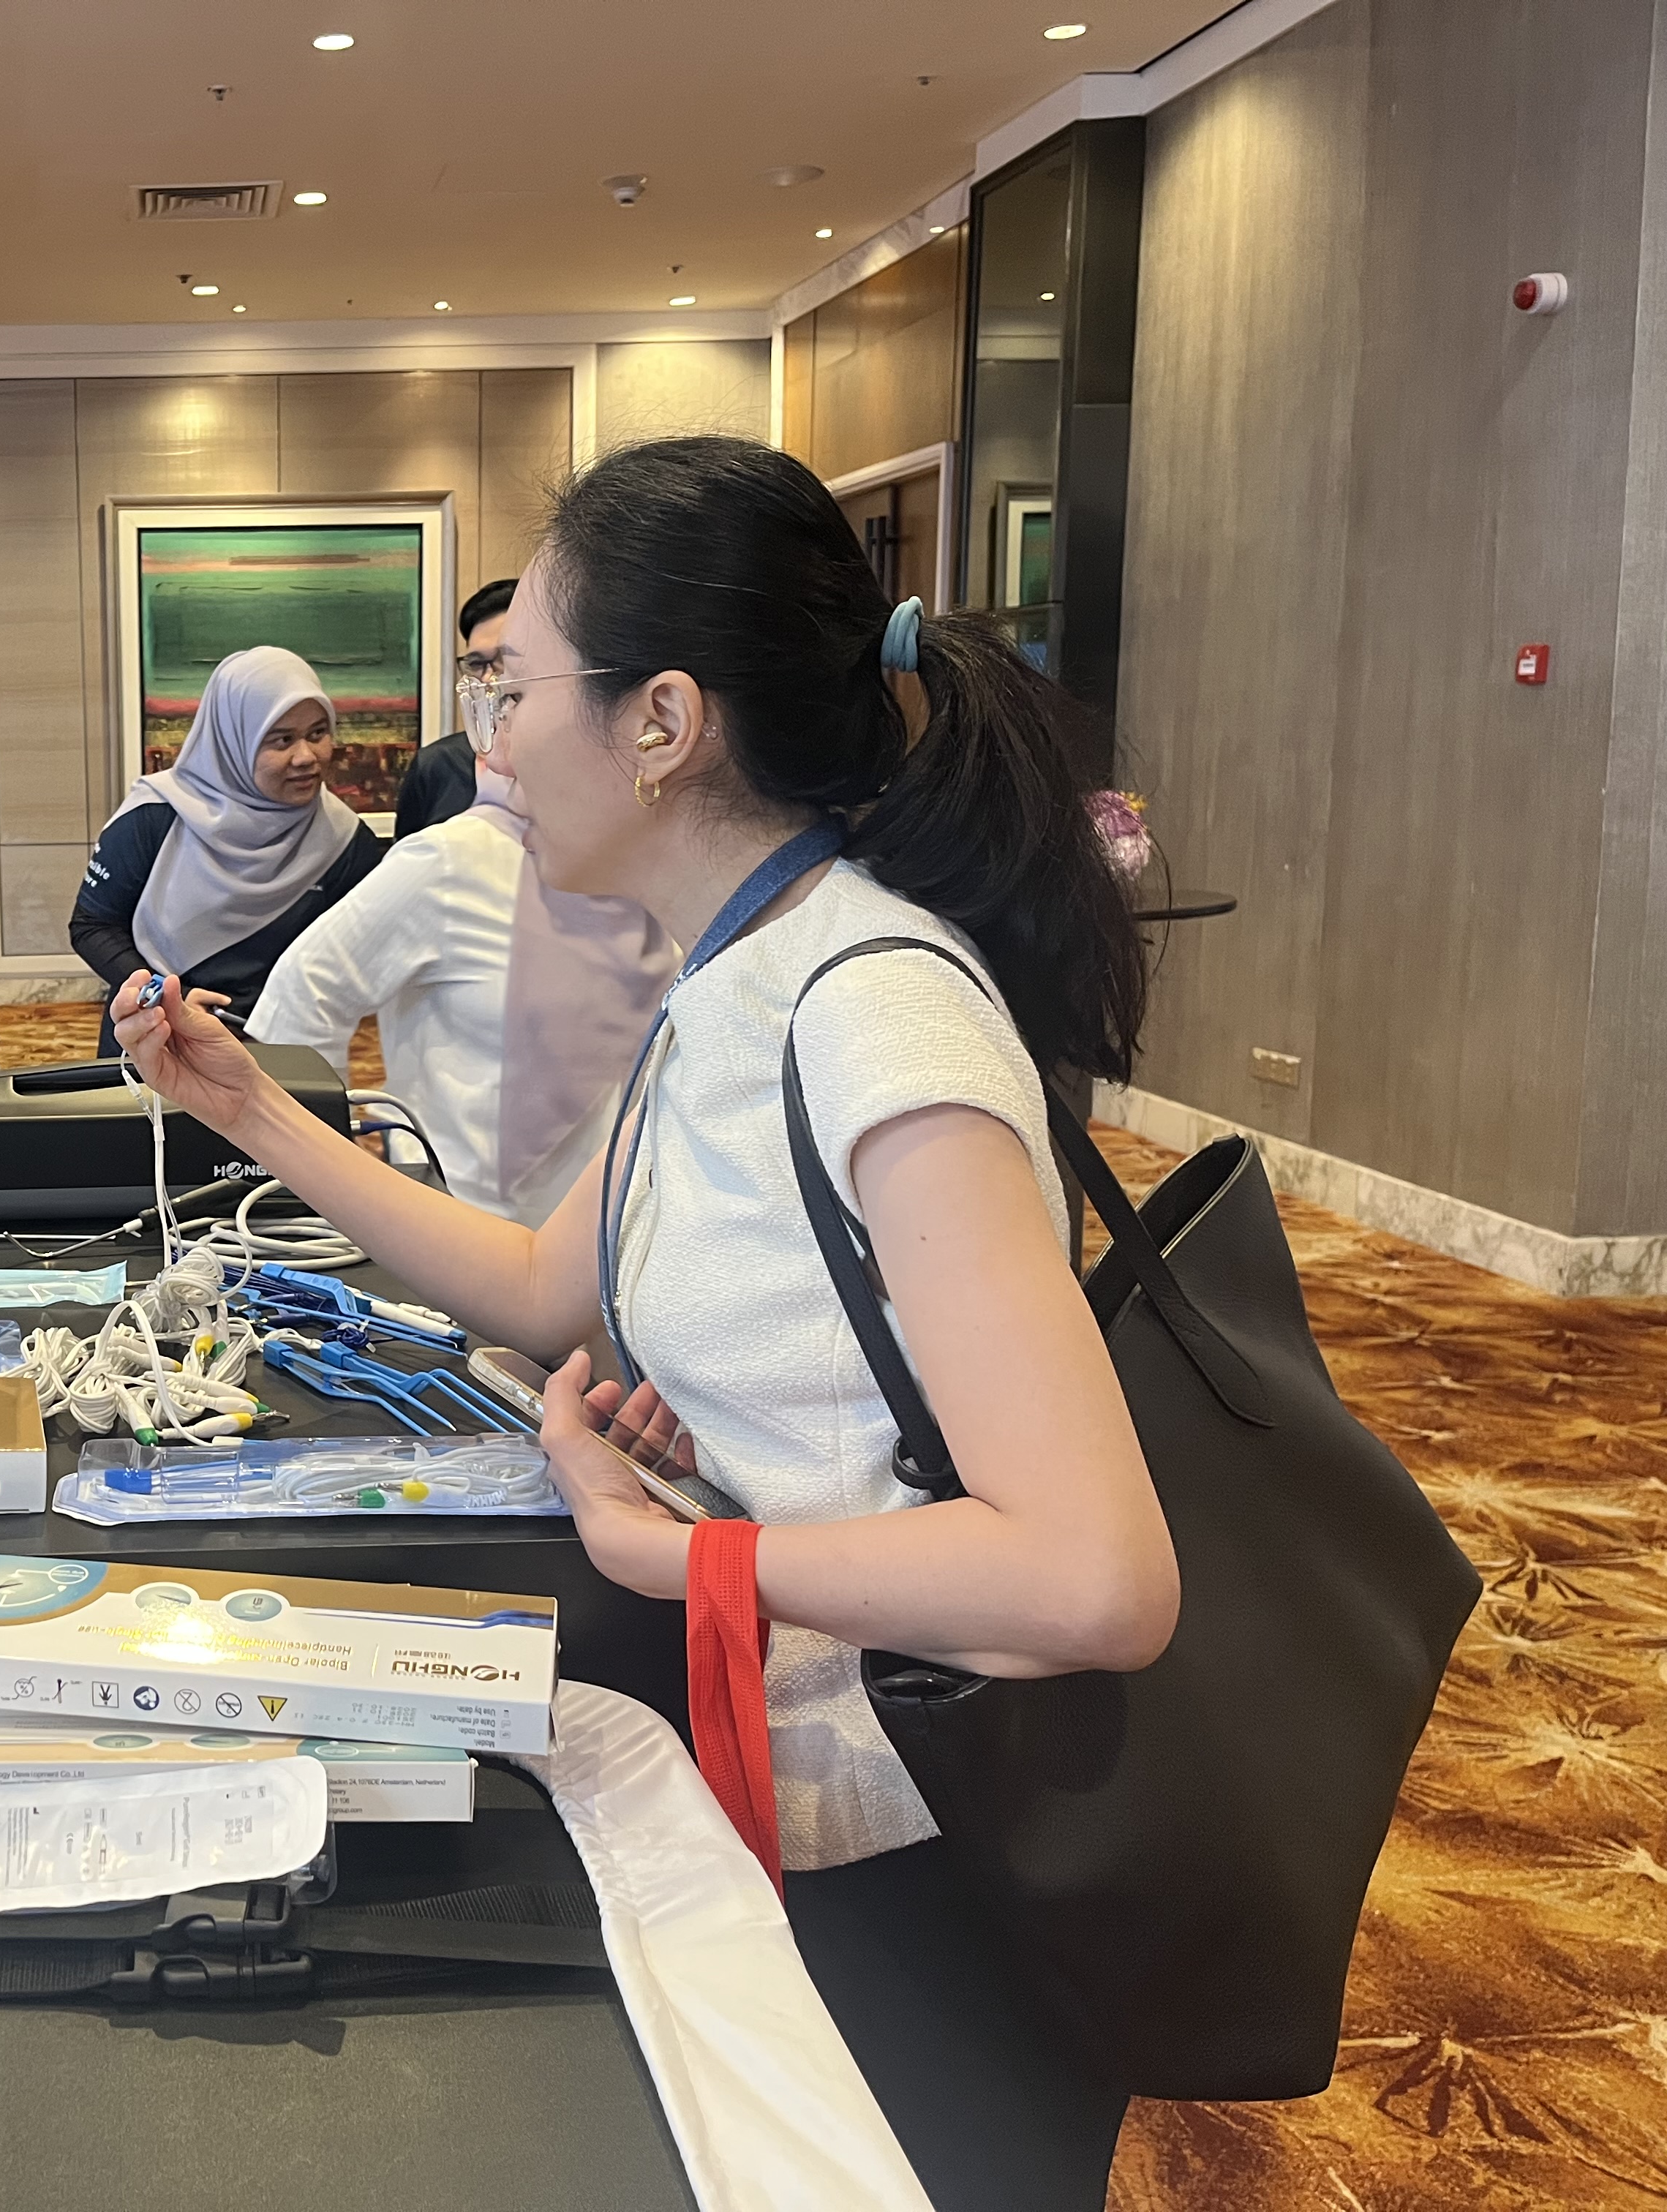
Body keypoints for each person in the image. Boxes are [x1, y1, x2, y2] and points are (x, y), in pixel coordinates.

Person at [111, 435, 1175, 2210]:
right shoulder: (732, 972)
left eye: (516, 690)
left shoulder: (871, 1014)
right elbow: (546, 1286)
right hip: (782, 1776)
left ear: (664, 721)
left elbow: (1093, 1577)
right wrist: (248, 1108)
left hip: (923, 1846)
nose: (493, 745)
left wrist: (680, 1551)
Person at [247, 756, 677, 1225]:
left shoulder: (658, 859)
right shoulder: (452, 861)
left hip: (626, 1219)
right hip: (459, 1218)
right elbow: (304, 991)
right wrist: (333, 1166)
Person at [70, 644, 382, 1051]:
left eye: (317, 734)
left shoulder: (343, 838)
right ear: (233, 741)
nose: (307, 756)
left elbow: (357, 956)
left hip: (281, 1050)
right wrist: (168, 999)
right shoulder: (156, 818)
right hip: (157, 1036)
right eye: (282, 739)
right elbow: (92, 927)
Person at [390, 576, 515, 838]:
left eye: (504, 659)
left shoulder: (577, 762)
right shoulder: (439, 766)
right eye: (477, 664)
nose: (488, 678)